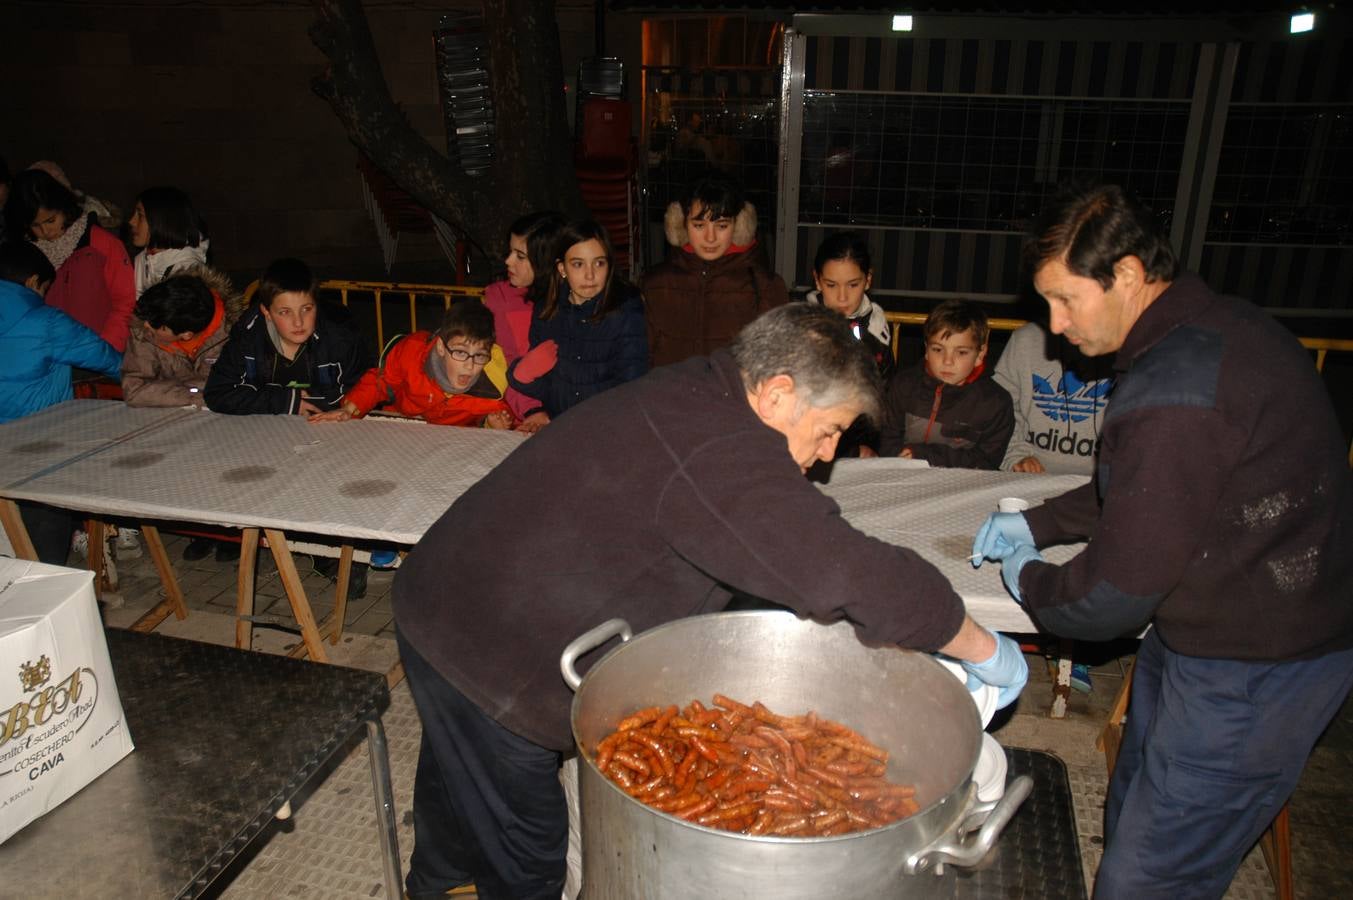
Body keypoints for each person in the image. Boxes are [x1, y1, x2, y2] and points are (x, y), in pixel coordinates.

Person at [392, 303, 1029, 900]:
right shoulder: (720, 448)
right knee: (526, 851)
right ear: (779, 393)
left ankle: (433, 884)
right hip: (490, 649)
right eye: (830, 428)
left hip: (448, 589)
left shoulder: (705, 386)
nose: (830, 451)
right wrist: (982, 645)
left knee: (458, 786)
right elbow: (843, 567)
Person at [971, 182, 1353, 899]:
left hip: (1260, 663)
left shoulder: (1175, 387)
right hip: (1204, 630)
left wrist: (1027, 577)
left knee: (1148, 877)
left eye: (1064, 300)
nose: (1052, 327)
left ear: (1125, 276)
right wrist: (1039, 521)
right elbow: (1152, 488)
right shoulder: (1203, 329)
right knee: (1135, 797)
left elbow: (1107, 600)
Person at [0, 241, 122, 563]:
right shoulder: (47, 322)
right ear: (32, 283)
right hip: (41, 450)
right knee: (44, 544)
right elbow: (111, 361)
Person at [640, 173, 788, 367]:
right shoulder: (655, 284)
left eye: (722, 225)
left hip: (733, 397)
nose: (710, 238)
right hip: (670, 396)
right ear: (681, 225)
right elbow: (639, 360)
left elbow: (776, 362)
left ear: (739, 226)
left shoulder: (765, 286)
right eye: (699, 225)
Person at [507, 219, 648, 418]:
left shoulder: (626, 311)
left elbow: (633, 384)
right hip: (560, 423)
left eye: (599, 263)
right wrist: (521, 376)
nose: (590, 275)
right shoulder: (547, 311)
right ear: (562, 269)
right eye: (578, 264)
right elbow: (548, 388)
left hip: (608, 424)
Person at [311, 297, 515, 429]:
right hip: (401, 428)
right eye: (461, 352)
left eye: (479, 356)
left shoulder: (494, 389)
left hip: (451, 446)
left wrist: (492, 424)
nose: (470, 366)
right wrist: (350, 409)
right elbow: (380, 382)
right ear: (442, 348)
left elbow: (501, 426)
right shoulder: (412, 352)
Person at [204, 257, 365, 416]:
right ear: (266, 312)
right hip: (264, 431)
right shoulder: (247, 339)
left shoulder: (341, 338)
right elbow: (217, 393)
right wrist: (285, 402)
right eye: (285, 312)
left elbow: (366, 391)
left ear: (317, 305)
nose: (298, 322)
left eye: (306, 309)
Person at [5, 168, 135, 351]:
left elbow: (125, 301)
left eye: (51, 220)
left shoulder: (101, 243)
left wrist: (106, 348)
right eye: (35, 225)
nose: (45, 232)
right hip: (47, 360)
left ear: (64, 208)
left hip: (98, 354)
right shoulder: (23, 256)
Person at [878, 299, 1014, 468]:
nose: (947, 361)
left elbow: (986, 461)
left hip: (961, 484)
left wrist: (925, 456)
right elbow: (886, 439)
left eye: (961, 352)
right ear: (926, 350)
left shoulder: (995, 403)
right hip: (902, 476)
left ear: (980, 354)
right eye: (937, 349)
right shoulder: (903, 385)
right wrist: (897, 459)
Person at [805, 231, 893, 457]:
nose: (842, 297)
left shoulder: (877, 328)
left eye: (853, 284)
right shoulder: (801, 327)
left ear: (868, 279)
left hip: (865, 445)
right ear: (817, 280)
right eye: (831, 285)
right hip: (811, 443)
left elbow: (882, 396)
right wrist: (849, 450)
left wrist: (874, 446)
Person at [993, 321, 1114, 475]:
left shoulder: (1125, 343)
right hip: (1031, 478)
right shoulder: (1026, 339)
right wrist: (1015, 456)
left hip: (1103, 481)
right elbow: (999, 409)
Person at [482, 211, 565, 431]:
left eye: (520, 256)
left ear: (545, 260)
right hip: (518, 417)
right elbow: (506, 362)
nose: (508, 261)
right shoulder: (500, 298)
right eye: (510, 252)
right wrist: (533, 411)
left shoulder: (571, 299)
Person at [122, 269, 243, 409]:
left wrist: (166, 391)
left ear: (186, 335)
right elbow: (134, 391)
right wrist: (193, 395)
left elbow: (236, 387)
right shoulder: (144, 330)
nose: (146, 325)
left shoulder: (234, 333)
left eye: (156, 324)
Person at [126, 186, 211, 297]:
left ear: (161, 220)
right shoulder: (141, 260)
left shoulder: (188, 273)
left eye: (140, 215)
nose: (131, 221)